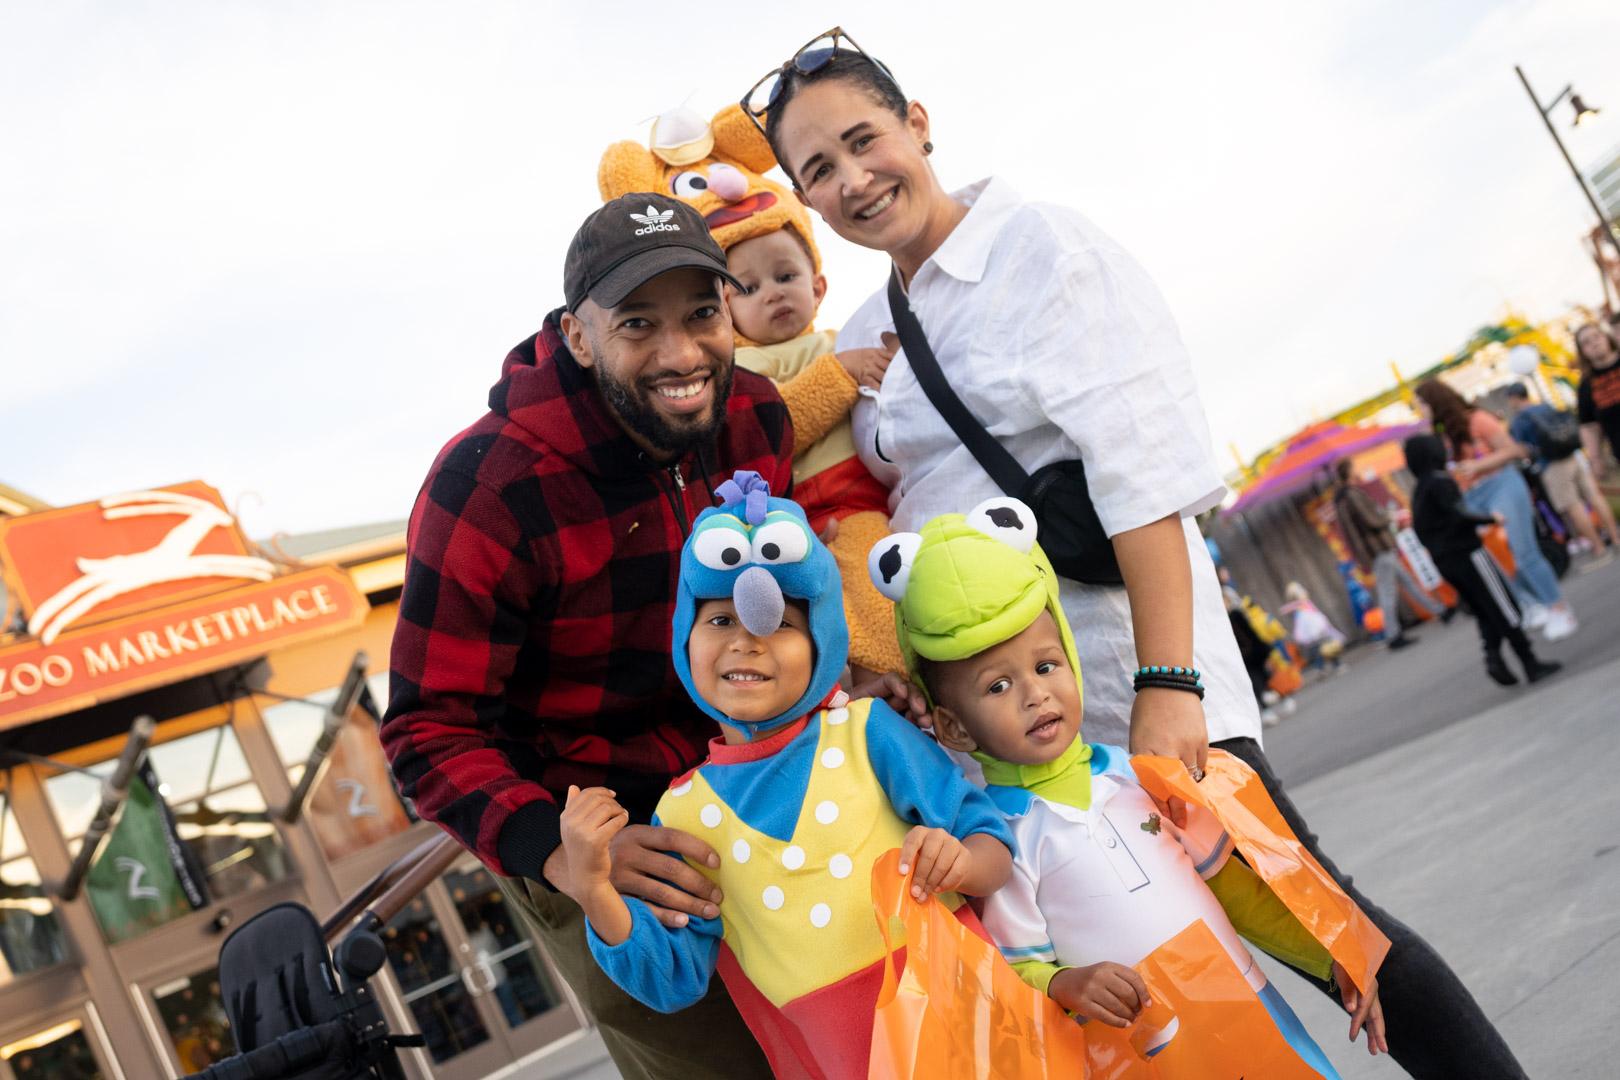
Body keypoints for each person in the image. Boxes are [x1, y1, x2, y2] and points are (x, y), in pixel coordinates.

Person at [751, 28, 1528, 1078]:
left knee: (1321, 927)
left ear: (917, 124)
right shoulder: (866, 324)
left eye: (863, 139)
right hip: (1015, 735)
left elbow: (1143, 475)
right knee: (1131, 990)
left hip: (1130, 671)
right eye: (820, 170)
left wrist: (1170, 684)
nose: (853, 179)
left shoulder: (1043, 252)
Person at [379, 193, 799, 1079]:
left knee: (874, 1034)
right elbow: (427, 734)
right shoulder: (487, 486)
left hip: (766, 784)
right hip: (597, 833)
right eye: (638, 324)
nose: (681, 353)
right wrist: (565, 860)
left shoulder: (756, 415)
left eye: (701, 314)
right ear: (578, 335)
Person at [877, 499, 1384, 1076]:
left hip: (1250, 1008)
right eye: (997, 686)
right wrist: (1069, 983)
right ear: (953, 726)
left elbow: (1233, 891)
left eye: (1046, 667)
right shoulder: (999, 842)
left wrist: (1329, 959)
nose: (1034, 695)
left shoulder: (1139, 775)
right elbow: (1019, 971)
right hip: (1148, 1053)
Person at [561, 472, 1013, 1078]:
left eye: (778, 624)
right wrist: (593, 888)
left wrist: (962, 863)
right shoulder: (683, 812)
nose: (746, 643)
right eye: (719, 620)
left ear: (823, 640)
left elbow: (988, 839)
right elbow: (674, 979)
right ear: (684, 639)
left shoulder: (868, 731)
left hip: (979, 1036)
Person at [1413, 378, 1577, 642]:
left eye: (1421, 403)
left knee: (1523, 551)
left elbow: (1515, 450)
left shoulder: (1477, 419)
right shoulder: (1441, 433)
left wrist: (1479, 465)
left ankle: (1558, 607)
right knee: (1495, 559)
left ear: (1435, 400)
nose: (1419, 410)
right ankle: (1530, 604)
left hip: (1501, 484)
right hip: (1471, 496)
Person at [1404, 435, 1561, 687]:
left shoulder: (1419, 491)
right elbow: (1459, 513)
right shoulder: (1441, 482)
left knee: (1484, 611)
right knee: (1504, 606)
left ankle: (1493, 657)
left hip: (1445, 561)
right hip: (1468, 554)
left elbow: (1422, 530)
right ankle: (1529, 662)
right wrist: (1490, 518)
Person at [1330, 459, 1450, 647]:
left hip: (1377, 550)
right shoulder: (1352, 495)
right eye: (1354, 468)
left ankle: (1440, 610)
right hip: (1377, 548)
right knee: (1388, 592)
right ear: (1349, 472)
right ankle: (1393, 634)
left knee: (1407, 582)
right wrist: (1389, 517)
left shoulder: (1342, 498)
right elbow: (1371, 520)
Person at [1503, 382, 1616, 565]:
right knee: (1594, 496)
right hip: (1572, 455)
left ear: (1513, 398)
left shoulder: (1520, 421)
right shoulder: (1546, 406)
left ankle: (1598, 546)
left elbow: (1522, 450)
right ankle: (1615, 536)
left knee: (1573, 506)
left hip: (1551, 465)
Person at [1575, 320, 1620, 476]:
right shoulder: (1586, 385)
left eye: (1596, 336)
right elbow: (1588, 426)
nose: (1594, 343)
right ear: (1583, 351)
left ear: (1606, 337)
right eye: (1586, 342)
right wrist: (1595, 459)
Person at [1280, 581, 1347, 675]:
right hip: (1314, 632)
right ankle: (1329, 667)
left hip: (1318, 630)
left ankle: (1326, 667)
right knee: (1323, 648)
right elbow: (1286, 611)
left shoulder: (1304, 605)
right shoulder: (1299, 608)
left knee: (1325, 648)